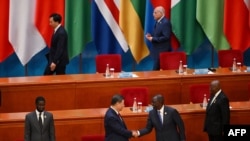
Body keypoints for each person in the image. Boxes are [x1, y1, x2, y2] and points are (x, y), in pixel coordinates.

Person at [145, 6, 172, 70]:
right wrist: (151, 36)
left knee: (155, 70)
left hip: (162, 50)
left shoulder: (165, 22)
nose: (153, 14)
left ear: (161, 13)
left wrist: (152, 39)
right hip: (157, 50)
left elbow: (166, 37)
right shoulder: (158, 22)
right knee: (156, 70)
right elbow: (158, 34)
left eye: (155, 12)